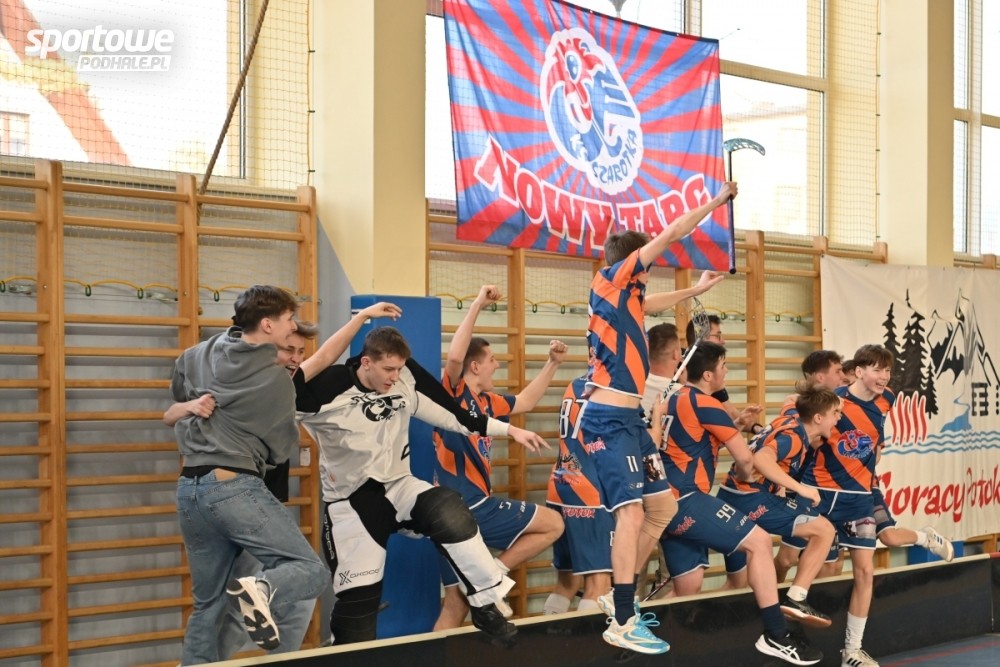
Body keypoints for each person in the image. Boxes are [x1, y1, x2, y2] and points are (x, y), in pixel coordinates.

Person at [294, 326, 549, 645]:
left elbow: (457, 416)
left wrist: (511, 431)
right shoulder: (325, 389)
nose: (394, 376)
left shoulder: (405, 379)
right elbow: (287, 393)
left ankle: (484, 605)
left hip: (399, 488)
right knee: (356, 620)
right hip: (352, 505)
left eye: (399, 368)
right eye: (388, 369)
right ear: (366, 362)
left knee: (449, 508)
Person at [581, 181, 733, 655]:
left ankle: (620, 595)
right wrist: (716, 202)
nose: (647, 281)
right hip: (608, 419)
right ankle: (622, 616)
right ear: (632, 263)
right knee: (630, 513)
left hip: (629, 423)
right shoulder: (612, 278)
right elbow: (671, 233)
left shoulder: (625, 299)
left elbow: (652, 303)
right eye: (644, 270)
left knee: (661, 506)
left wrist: (697, 290)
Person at [169, 285, 329, 665]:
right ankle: (261, 588)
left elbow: (179, 390)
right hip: (234, 487)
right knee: (310, 571)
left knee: (207, 606)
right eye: (288, 320)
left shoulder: (200, 352)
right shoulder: (275, 380)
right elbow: (280, 447)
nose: (292, 327)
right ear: (268, 325)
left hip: (190, 489)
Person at [659, 342, 822, 665]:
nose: (727, 371)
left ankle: (646, 642)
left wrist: (735, 426)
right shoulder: (707, 404)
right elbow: (746, 459)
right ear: (708, 375)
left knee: (687, 587)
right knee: (759, 543)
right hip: (685, 499)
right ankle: (776, 634)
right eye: (723, 366)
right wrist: (749, 478)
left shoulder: (673, 398)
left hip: (663, 500)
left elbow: (693, 440)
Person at [432, 285, 567, 630]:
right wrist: (478, 303)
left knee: (456, 604)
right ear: (475, 366)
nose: (498, 364)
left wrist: (552, 364)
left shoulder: (488, 403)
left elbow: (526, 402)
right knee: (553, 524)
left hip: (450, 515)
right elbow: (454, 360)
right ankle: (492, 576)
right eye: (492, 360)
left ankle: (437, 647)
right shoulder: (454, 395)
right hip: (468, 506)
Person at [717, 382, 840, 628]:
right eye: (835, 413)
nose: (839, 418)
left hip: (728, 496)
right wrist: (801, 488)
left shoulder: (791, 417)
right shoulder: (794, 438)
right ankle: (796, 598)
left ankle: (707, 623)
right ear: (818, 418)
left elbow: (791, 400)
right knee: (824, 530)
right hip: (749, 499)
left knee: (737, 583)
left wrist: (821, 396)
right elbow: (761, 459)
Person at [799, 344, 889, 667]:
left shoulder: (887, 400)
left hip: (860, 500)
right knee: (811, 564)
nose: (884, 376)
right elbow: (806, 432)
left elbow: (876, 443)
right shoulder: (833, 400)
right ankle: (793, 630)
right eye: (877, 370)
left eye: (887, 370)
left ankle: (852, 650)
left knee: (865, 571)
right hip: (822, 494)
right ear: (859, 371)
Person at [544, 375, 617, 614]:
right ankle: (588, 639)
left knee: (566, 582)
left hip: (560, 485)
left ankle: (552, 635)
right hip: (591, 493)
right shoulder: (612, 390)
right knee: (599, 586)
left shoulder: (574, 384)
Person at [685, 314, 763, 432]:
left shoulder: (712, 373)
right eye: (717, 336)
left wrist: (756, 428)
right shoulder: (680, 371)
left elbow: (730, 413)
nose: (723, 341)